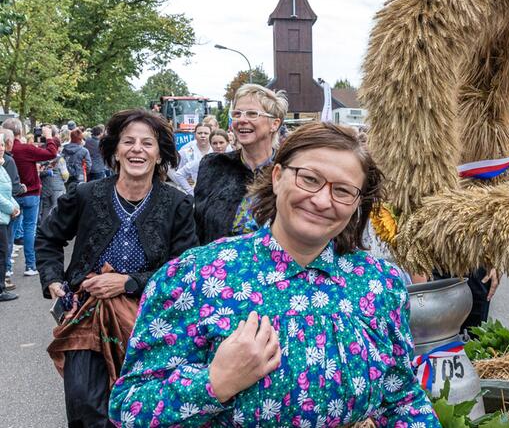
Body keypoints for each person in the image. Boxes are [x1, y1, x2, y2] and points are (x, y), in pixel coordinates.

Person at [110, 122, 438, 426]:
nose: (323, 200)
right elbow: (129, 408)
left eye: (342, 191)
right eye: (309, 179)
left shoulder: (379, 283)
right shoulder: (196, 277)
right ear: (278, 176)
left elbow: (401, 398)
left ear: (356, 204)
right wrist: (215, 383)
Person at [36, 109, 198, 427]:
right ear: (115, 150)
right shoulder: (86, 195)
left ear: (160, 153)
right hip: (87, 317)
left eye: (147, 143)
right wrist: (54, 279)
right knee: (85, 404)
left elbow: (184, 269)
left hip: (148, 321)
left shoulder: (177, 204)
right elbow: (48, 236)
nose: (137, 149)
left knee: (142, 408)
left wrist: (128, 283)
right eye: (129, 141)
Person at [194, 84, 287, 244]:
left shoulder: (289, 170)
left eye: (252, 114)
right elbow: (198, 227)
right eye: (237, 114)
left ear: (274, 124)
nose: (242, 120)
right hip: (218, 264)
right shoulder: (214, 165)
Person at [2, 119, 59, 277]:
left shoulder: (8, 151)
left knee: (9, 232)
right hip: (31, 193)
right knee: (29, 229)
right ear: (20, 131)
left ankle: (6, 267)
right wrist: (48, 137)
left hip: (11, 195)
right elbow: (51, 153)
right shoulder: (26, 149)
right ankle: (30, 265)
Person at [173, 129, 229, 195]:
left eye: (221, 142)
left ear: (227, 143)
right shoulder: (203, 161)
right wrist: (191, 192)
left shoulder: (234, 162)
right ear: (210, 144)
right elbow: (178, 174)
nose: (218, 146)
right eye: (215, 143)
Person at [1, 129, 23, 288]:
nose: (1, 148)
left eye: (2, 145)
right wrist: (12, 208)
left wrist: (15, 206)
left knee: (4, 250)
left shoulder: (3, 164)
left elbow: (6, 191)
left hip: (5, 214)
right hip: (2, 215)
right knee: (2, 252)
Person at [169, 123, 213, 192]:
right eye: (200, 133)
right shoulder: (185, 152)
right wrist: (185, 181)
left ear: (211, 135)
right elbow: (177, 172)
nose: (203, 136)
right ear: (195, 135)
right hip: (190, 192)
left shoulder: (215, 151)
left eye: (206, 133)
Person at [39, 145, 69, 222]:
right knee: (57, 208)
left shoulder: (41, 157)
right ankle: (54, 229)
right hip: (57, 188)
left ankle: (43, 228)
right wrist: (64, 180)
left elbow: (39, 172)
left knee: (46, 208)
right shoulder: (60, 159)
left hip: (45, 187)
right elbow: (65, 175)